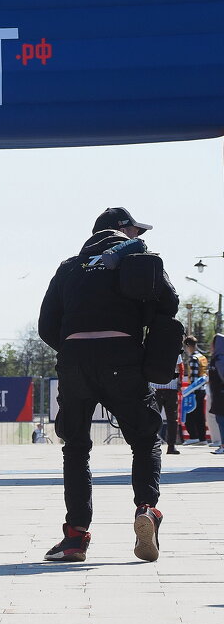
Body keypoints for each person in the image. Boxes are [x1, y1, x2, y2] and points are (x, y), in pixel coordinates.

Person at [38, 207, 177, 563]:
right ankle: (147, 509)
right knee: (145, 440)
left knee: (76, 448)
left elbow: (47, 324)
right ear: (120, 229)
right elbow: (170, 302)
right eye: (134, 229)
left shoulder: (69, 267)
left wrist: (77, 349)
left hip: (75, 362)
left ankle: (75, 538)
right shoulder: (141, 260)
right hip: (123, 358)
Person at [181, 336, 209, 443]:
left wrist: (189, 390)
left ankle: (193, 437)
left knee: (189, 413)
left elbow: (194, 377)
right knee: (200, 415)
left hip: (195, 390)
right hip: (202, 389)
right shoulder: (202, 357)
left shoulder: (193, 358)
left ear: (188, 346)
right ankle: (202, 438)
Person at [152, 364, 183, 455]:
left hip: (170, 388)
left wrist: (179, 383)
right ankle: (152, 444)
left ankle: (171, 446)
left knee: (172, 419)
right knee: (153, 418)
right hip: (156, 388)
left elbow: (180, 367)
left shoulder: (175, 350)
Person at [210, 334, 224, 454]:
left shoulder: (220, 359)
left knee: (221, 420)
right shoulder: (217, 358)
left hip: (221, 395)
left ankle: (223, 445)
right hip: (218, 394)